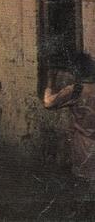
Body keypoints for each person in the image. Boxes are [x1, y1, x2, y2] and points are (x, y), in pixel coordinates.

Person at [43, 52, 95, 214]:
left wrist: (50, 81)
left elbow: (48, 103)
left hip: (84, 145)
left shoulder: (76, 90)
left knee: (83, 186)